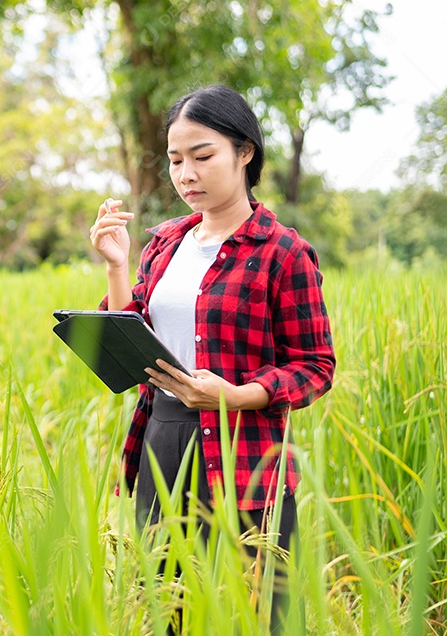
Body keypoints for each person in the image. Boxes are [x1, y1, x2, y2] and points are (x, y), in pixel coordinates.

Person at [88, 84, 335, 633]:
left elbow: (315, 365)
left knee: (265, 613)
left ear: (245, 152)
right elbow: (132, 339)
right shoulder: (163, 244)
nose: (186, 174)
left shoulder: (282, 251)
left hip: (247, 448)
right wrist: (115, 267)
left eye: (203, 157)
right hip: (165, 437)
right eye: (176, 160)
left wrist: (238, 395)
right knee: (165, 608)